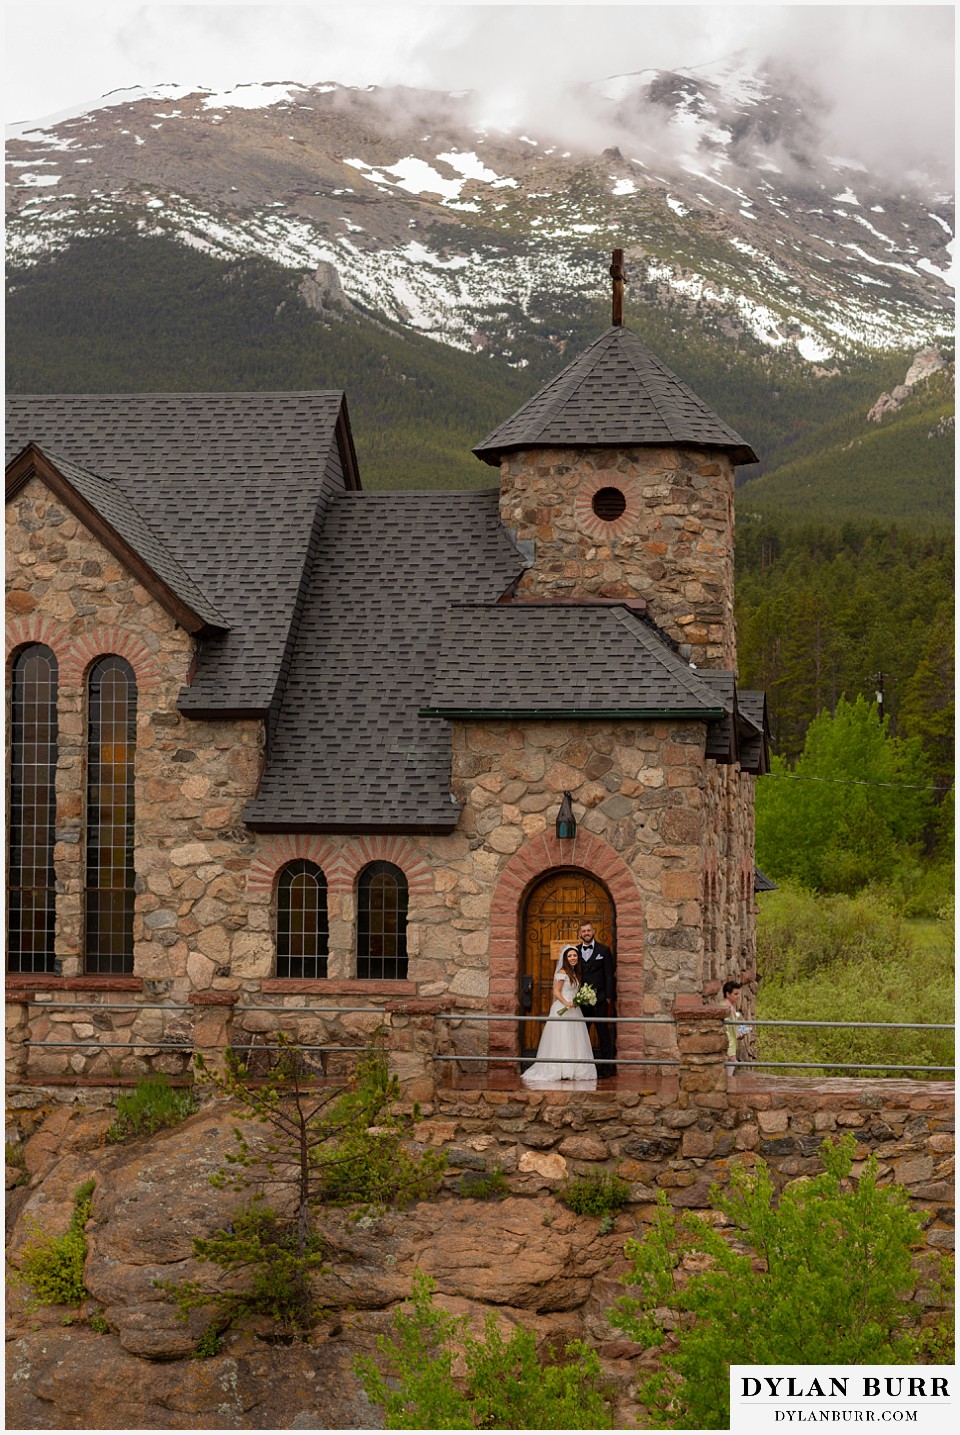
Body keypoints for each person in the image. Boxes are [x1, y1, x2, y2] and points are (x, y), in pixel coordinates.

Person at [522, 945, 597, 1085]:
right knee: (562, 1037)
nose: (573, 958)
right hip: (562, 1008)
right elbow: (556, 991)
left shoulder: (575, 973)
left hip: (574, 1009)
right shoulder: (563, 972)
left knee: (574, 1037)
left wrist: (577, 1000)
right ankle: (562, 1069)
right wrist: (566, 1002)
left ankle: (574, 1068)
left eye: (575, 955)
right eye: (569, 956)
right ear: (565, 958)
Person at [577, 921, 616, 1075]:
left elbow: (609, 974)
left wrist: (608, 997)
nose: (586, 933)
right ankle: (583, 1066)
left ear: (593, 932)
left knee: (603, 1033)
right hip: (582, 1001)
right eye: (583, 931)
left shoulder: (604, 950)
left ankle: (607, 1067)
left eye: (588, 930)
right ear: (580, 934)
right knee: (582, 1033)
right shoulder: (576, 950)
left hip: (599, 999)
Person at [722, 979, 748, 1077]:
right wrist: (739, 1033)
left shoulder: (728, 1006)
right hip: (729, 1040)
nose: (738, 996)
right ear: (728, 994)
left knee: (732, 1060)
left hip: (731, 1039)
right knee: (732, 1060)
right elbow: (728, 1026)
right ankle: (728, 1081)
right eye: (735, 994)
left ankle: (728, 1079)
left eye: (738, 994)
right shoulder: (726, 1007)